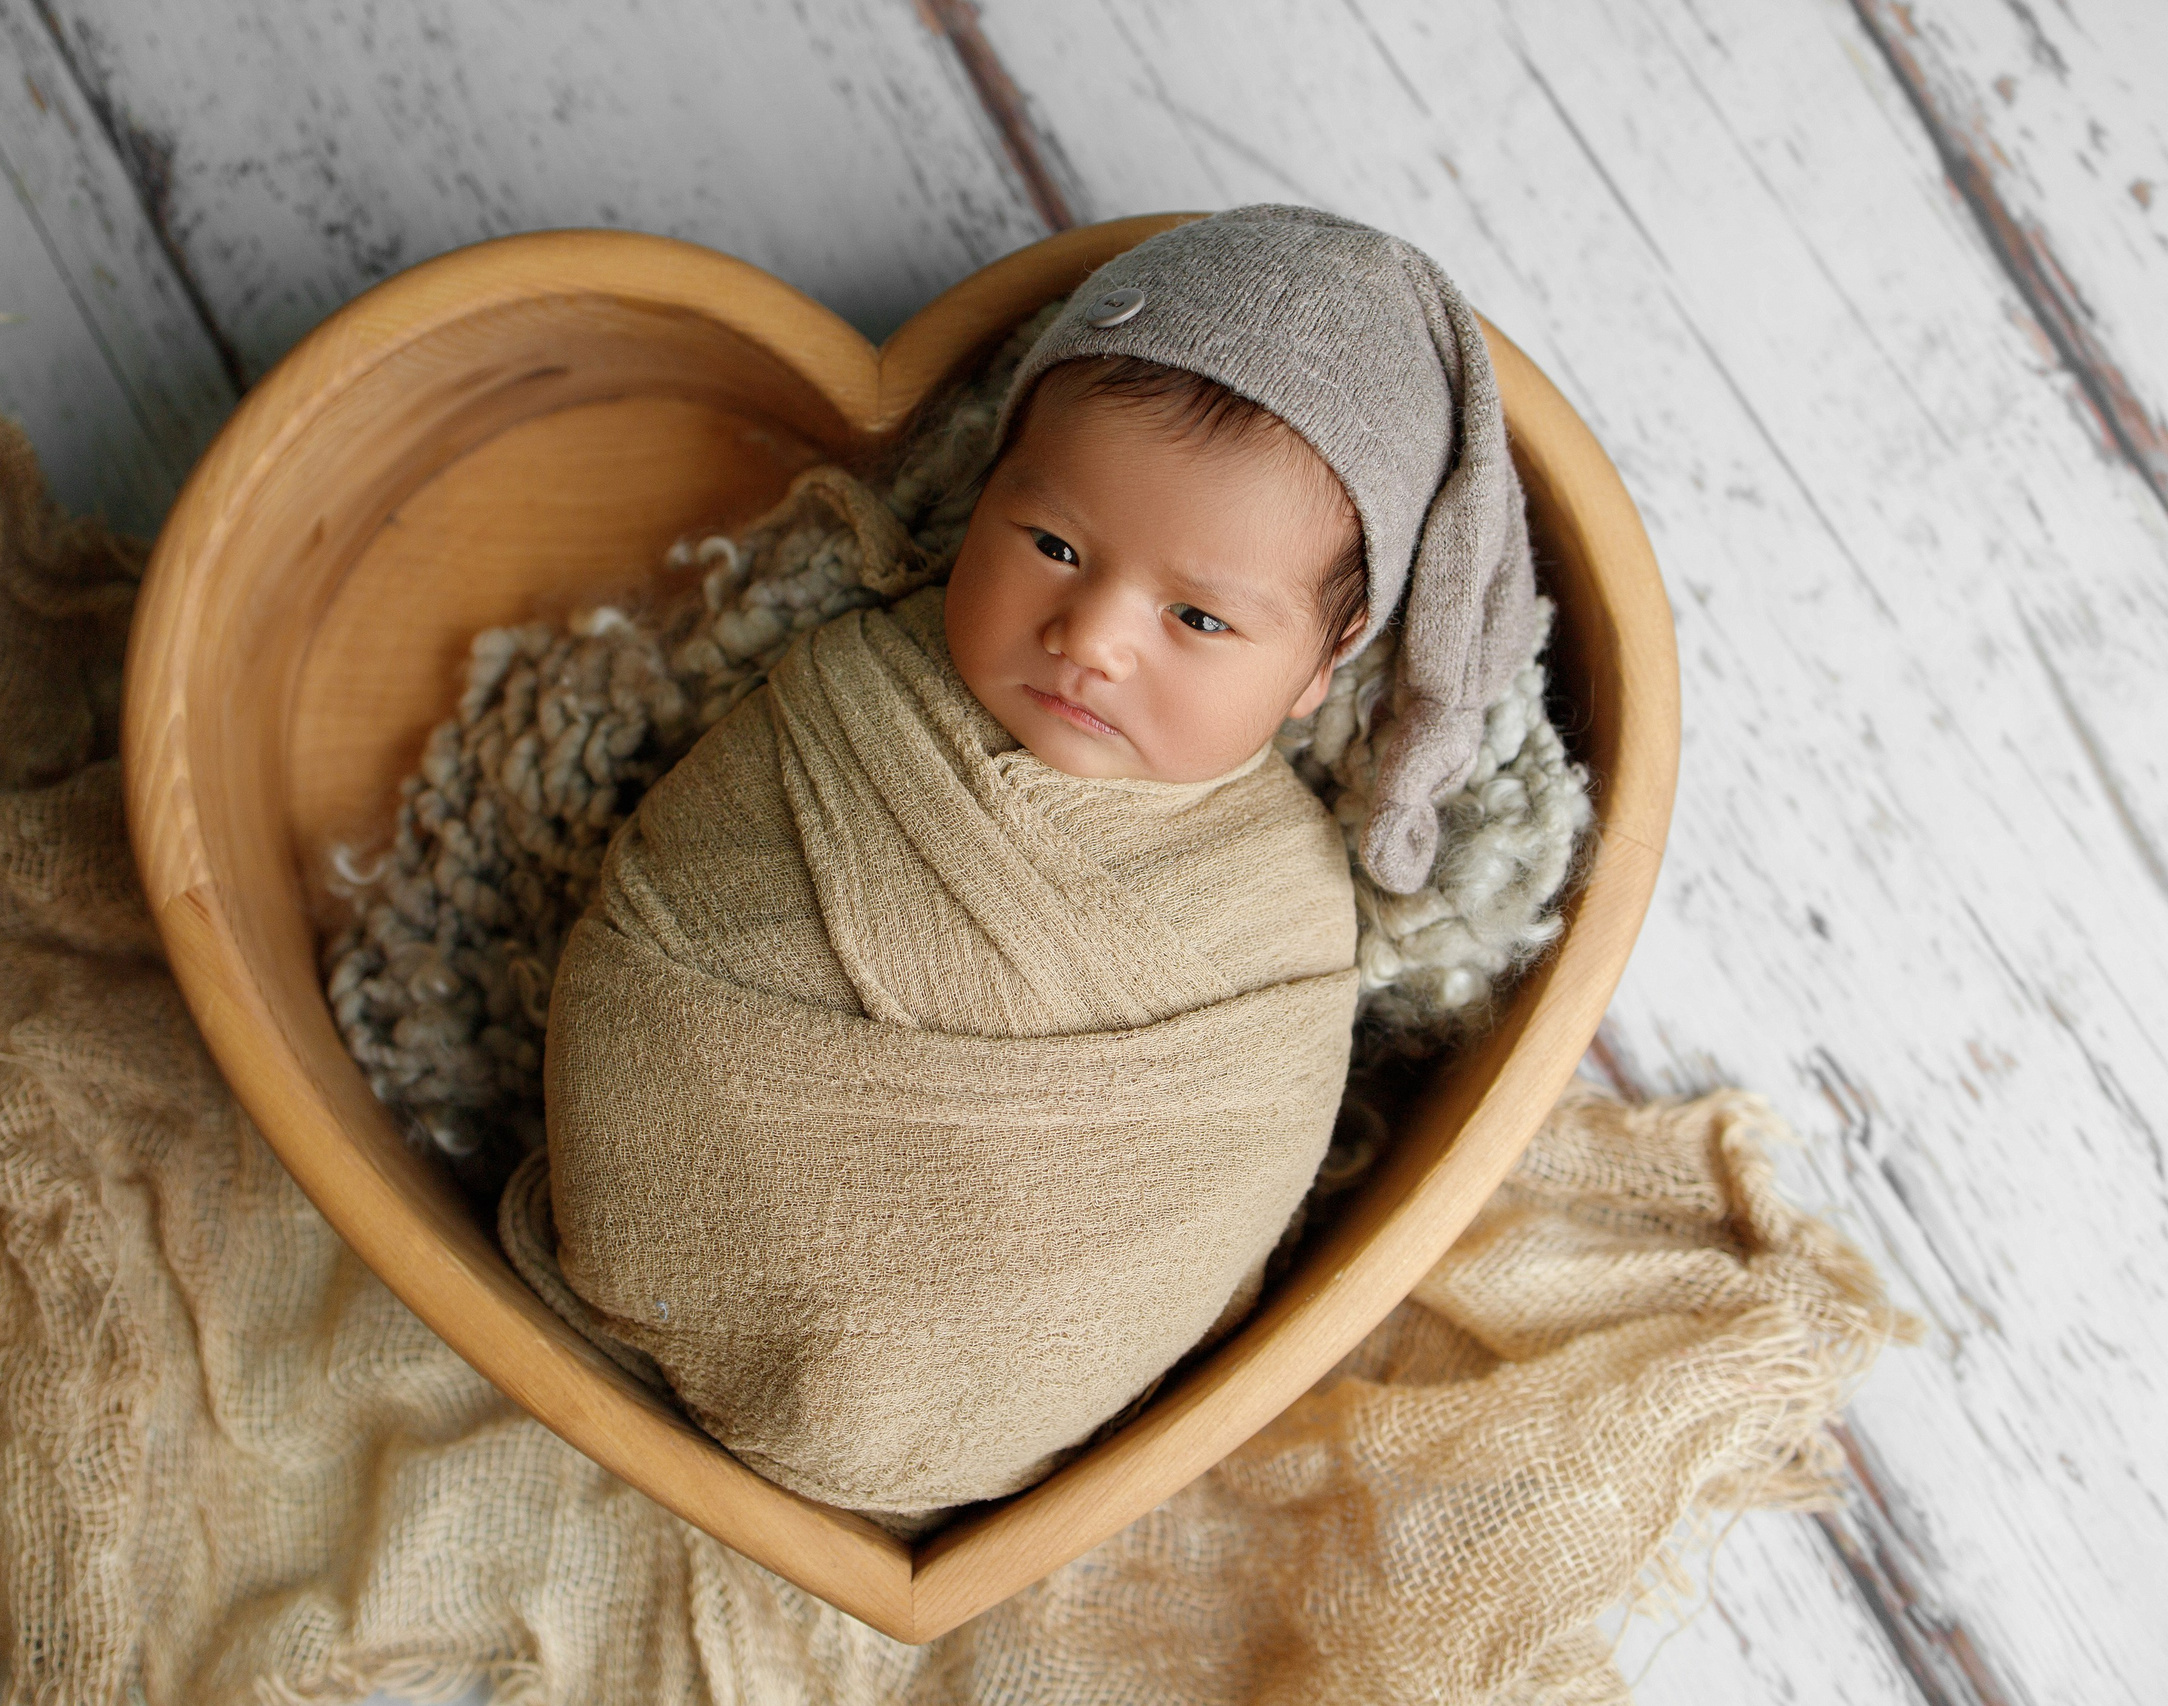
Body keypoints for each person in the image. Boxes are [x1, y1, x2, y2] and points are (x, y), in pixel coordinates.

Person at [519, 204, 1540, 1519]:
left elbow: (1217, 1184)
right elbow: (661, 946)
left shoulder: (1286, 913)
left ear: (1317, 671)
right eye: (1053, 544)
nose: (1094, 635)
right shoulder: (848, 694)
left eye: (1199, 616)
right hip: (641, 1232)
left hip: (976, 1414)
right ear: (984, 490)